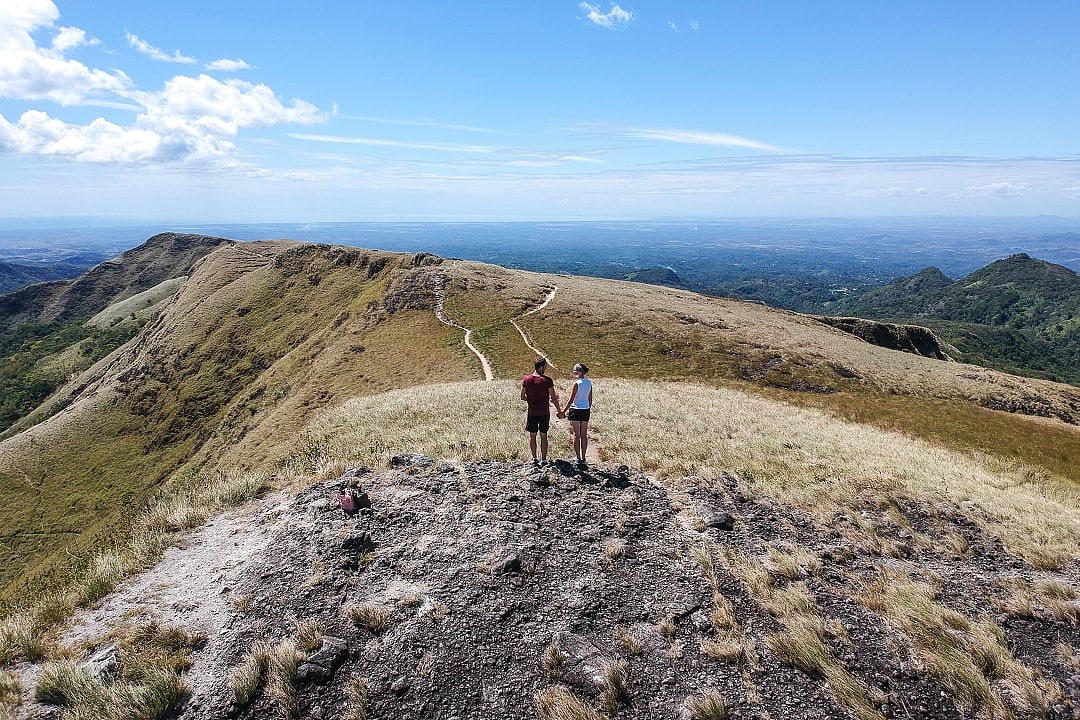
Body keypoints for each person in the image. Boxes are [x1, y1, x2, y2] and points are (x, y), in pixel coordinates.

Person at [521, 357, 561, 465]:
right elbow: (553, 397)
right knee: (544, 435)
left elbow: (522, 396)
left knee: (532, 435)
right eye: (545, 367)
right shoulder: (547, 380)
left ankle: (534, 458)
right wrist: (559, 410)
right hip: (544, 412)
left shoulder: (527, 379)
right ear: (542, 367)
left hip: (532, 412)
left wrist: (530, 399)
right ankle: (543, 459)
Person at [561, 363, 593, 467]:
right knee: (584, 434)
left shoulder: (576, 384)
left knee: (576, 434)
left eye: (575, 370)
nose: (573, 371)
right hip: (585, 409)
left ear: (580, 371)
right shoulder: (589, 383)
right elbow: (590, 399)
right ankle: (584, 457)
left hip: (576, 409)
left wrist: (563, 411)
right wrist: (587, 407)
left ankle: (578, 457)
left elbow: (571, 400)